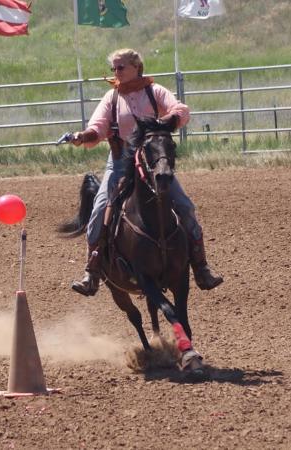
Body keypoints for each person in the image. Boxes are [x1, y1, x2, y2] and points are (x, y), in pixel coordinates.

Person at [70, 48, 223, 296]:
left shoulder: (155, 91)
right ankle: (92, 270)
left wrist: (163, 124)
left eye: (121, 67)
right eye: (114, 69)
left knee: (184, 206)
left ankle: (200, 266)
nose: (116, 73)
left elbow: (180, 111)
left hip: (153, 162)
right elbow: (98, 127)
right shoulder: (112, 97)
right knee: (99, 210)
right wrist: (83, 137)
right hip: (121, 162)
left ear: (136, 67)